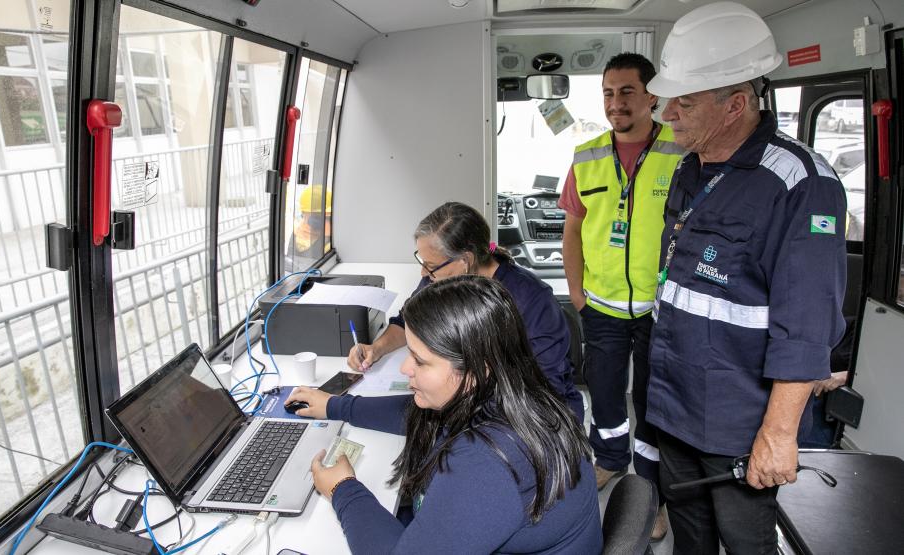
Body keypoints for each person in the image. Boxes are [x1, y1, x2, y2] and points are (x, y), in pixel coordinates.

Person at [644, 2, 847, 552]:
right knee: (691, 539)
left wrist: (778, 437)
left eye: (684, 102)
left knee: (746, 543)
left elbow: (805, 328)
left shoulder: (801, 183)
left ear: (735, 105)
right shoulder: (692, 167)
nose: (666, 113)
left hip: (740, 423)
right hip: (678, 405)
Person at [286, 275, 602, 553]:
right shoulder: (518, 393)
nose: (405, 368)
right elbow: (414, 412)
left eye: (420, 361)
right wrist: (335, 406)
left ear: (477, 370)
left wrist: (344, 489)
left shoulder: (488, 464)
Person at [559, 52, 683, 538]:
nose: (616, 103)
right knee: (606, 394)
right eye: (609, 93)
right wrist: (576, 293)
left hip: (662, 308)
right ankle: (609, 459)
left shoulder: (682, 149)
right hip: (603, 305)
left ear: (652, 96)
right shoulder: (587, 155)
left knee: (655, 401)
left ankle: (652, 493)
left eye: (627, 92)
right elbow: (573, 230)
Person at [347, 201, 583, 421]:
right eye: (423, 264)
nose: (423, 275)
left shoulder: (531, 300)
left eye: (430, 267)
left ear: (465, 261)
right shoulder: (438, 279)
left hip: (528, 415)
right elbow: (405, 321)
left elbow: (546, 388)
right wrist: (375, 349)